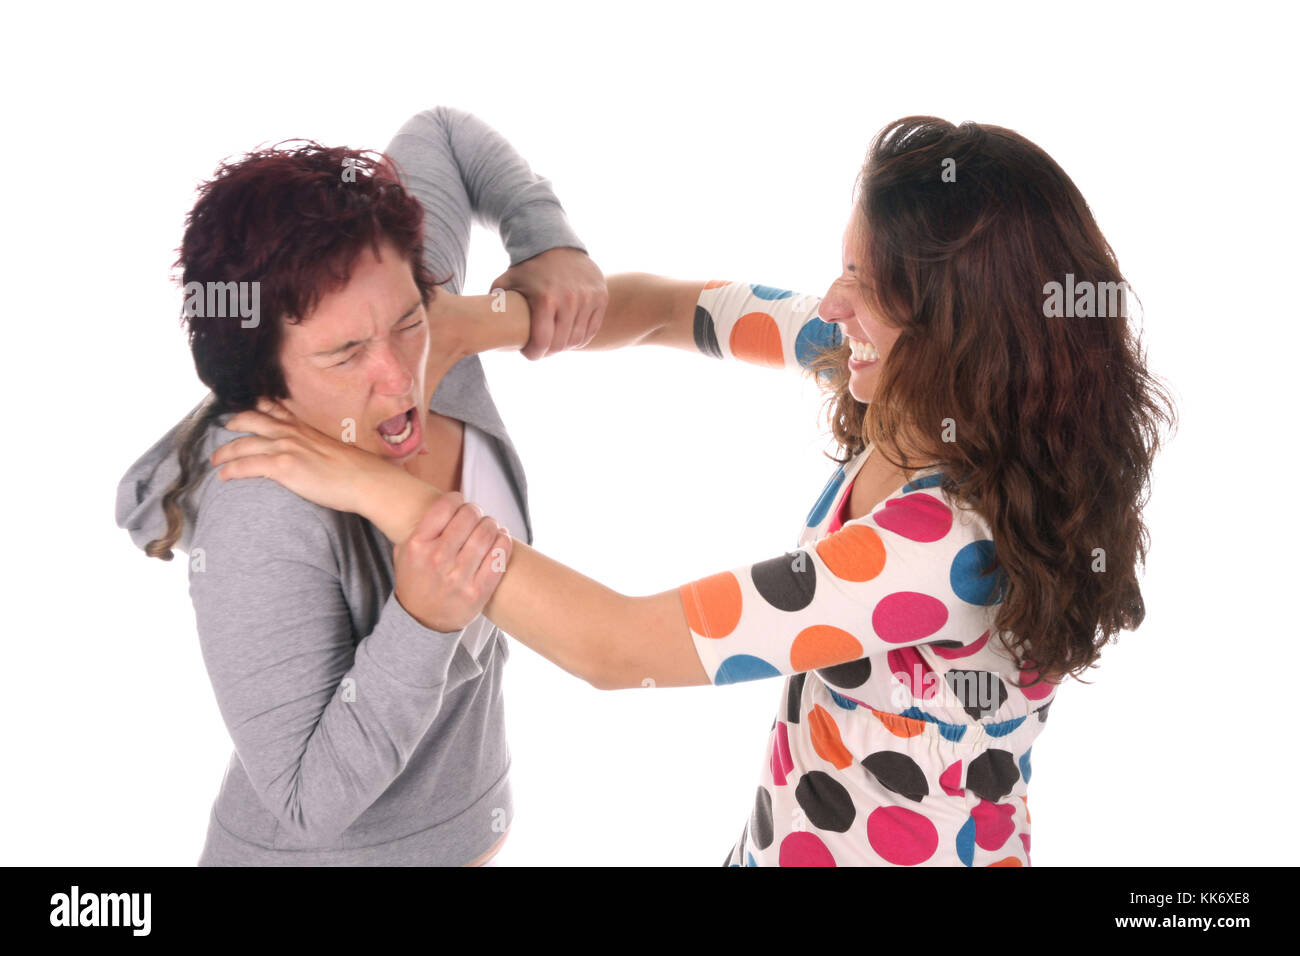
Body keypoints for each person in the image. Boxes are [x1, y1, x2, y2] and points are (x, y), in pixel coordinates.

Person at [212, 115, 1178, 866]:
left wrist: (387, 499)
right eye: (843, 267)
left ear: (961, 332)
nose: (834, 304)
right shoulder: (878, 360)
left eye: (868, 286)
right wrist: (475, 325)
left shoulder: (938, 550)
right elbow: (673, 309)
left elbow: (616, 647)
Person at [115, 106, 606, 866]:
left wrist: (546, 237)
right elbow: (306, 802)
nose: (397, 375)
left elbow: (441, 132)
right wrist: (422, 619)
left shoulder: (414, 322)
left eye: (409, 320)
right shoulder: (259, 514)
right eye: (343, 354)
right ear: (263, 382)